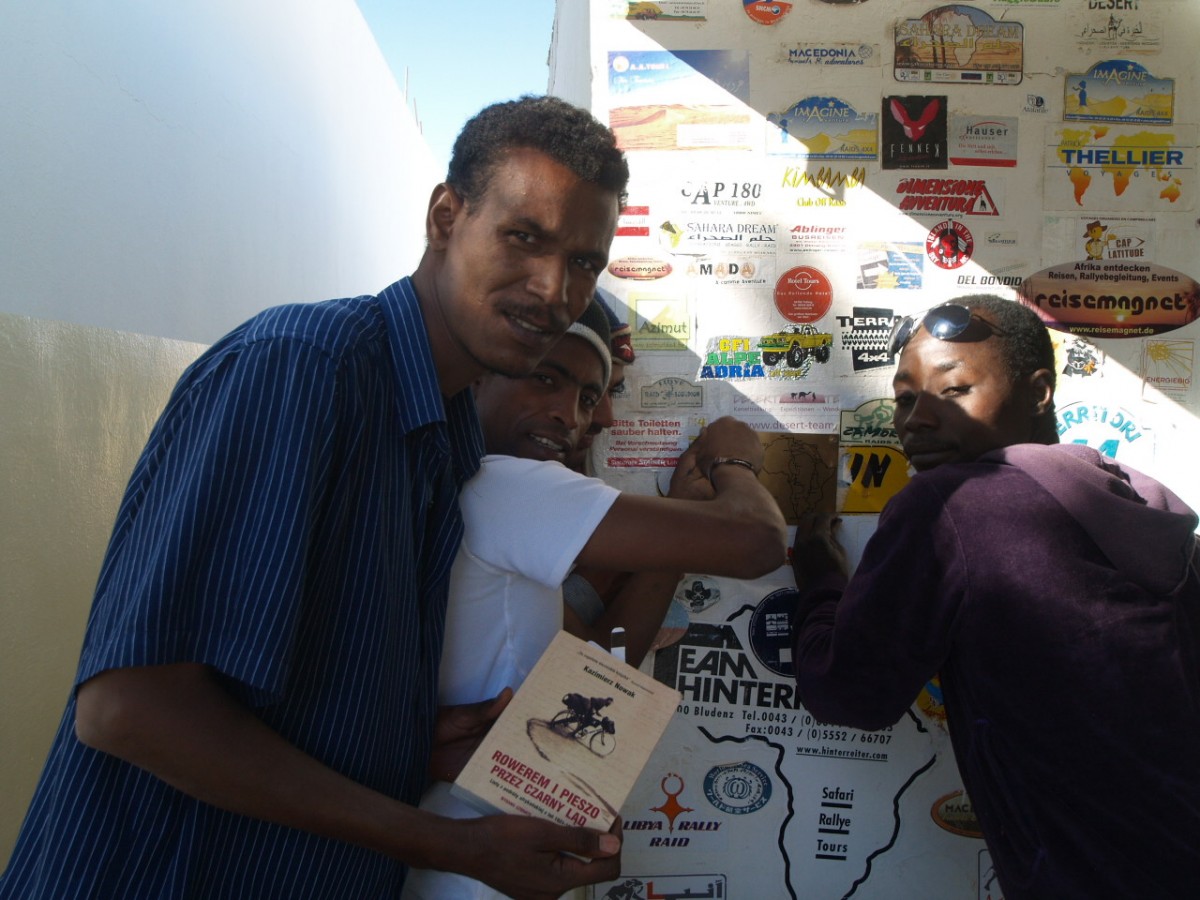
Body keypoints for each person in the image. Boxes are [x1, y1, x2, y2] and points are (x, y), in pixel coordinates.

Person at [0, 95, 631, 900]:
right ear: (446, 217)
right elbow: (130, 708)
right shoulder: (306, 370)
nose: (553, 288)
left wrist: (403, 752)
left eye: (584, 262)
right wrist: (455, 845)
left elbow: (275, 694)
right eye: (525, 238)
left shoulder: (443, 431)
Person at [789, 294, 1200, 899]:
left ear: (1038, 393)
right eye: (906, 399)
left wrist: (822, 582)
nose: (916, 420)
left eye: (954, 391)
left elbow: (850, 692)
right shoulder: (1142, 503)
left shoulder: (954, 504)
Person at [401, 302, 787, 899]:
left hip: (487, 843)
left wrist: (677, 529)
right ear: (476, 378)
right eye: (545, 378)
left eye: (587, 397)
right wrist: (735, 459)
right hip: (482, 849)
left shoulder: (462, 487)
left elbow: (603, 668)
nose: (575, 415)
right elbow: (758, 540)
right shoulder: (504, 485)